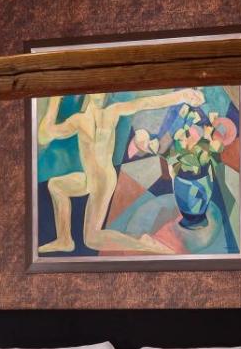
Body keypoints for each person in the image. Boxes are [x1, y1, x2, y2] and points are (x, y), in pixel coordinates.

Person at [37, 88, 205, 254]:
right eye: (97, 92)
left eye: (103, 92)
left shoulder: (111, 112)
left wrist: (182, 96)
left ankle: (145, 244)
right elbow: (44, 135)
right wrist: (53, 101)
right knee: (56, 186)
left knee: (92, 239)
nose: (101, 95)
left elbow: (145, 103)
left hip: (103, 181)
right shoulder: (78, 121)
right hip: (89, 179)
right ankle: (65, 239)